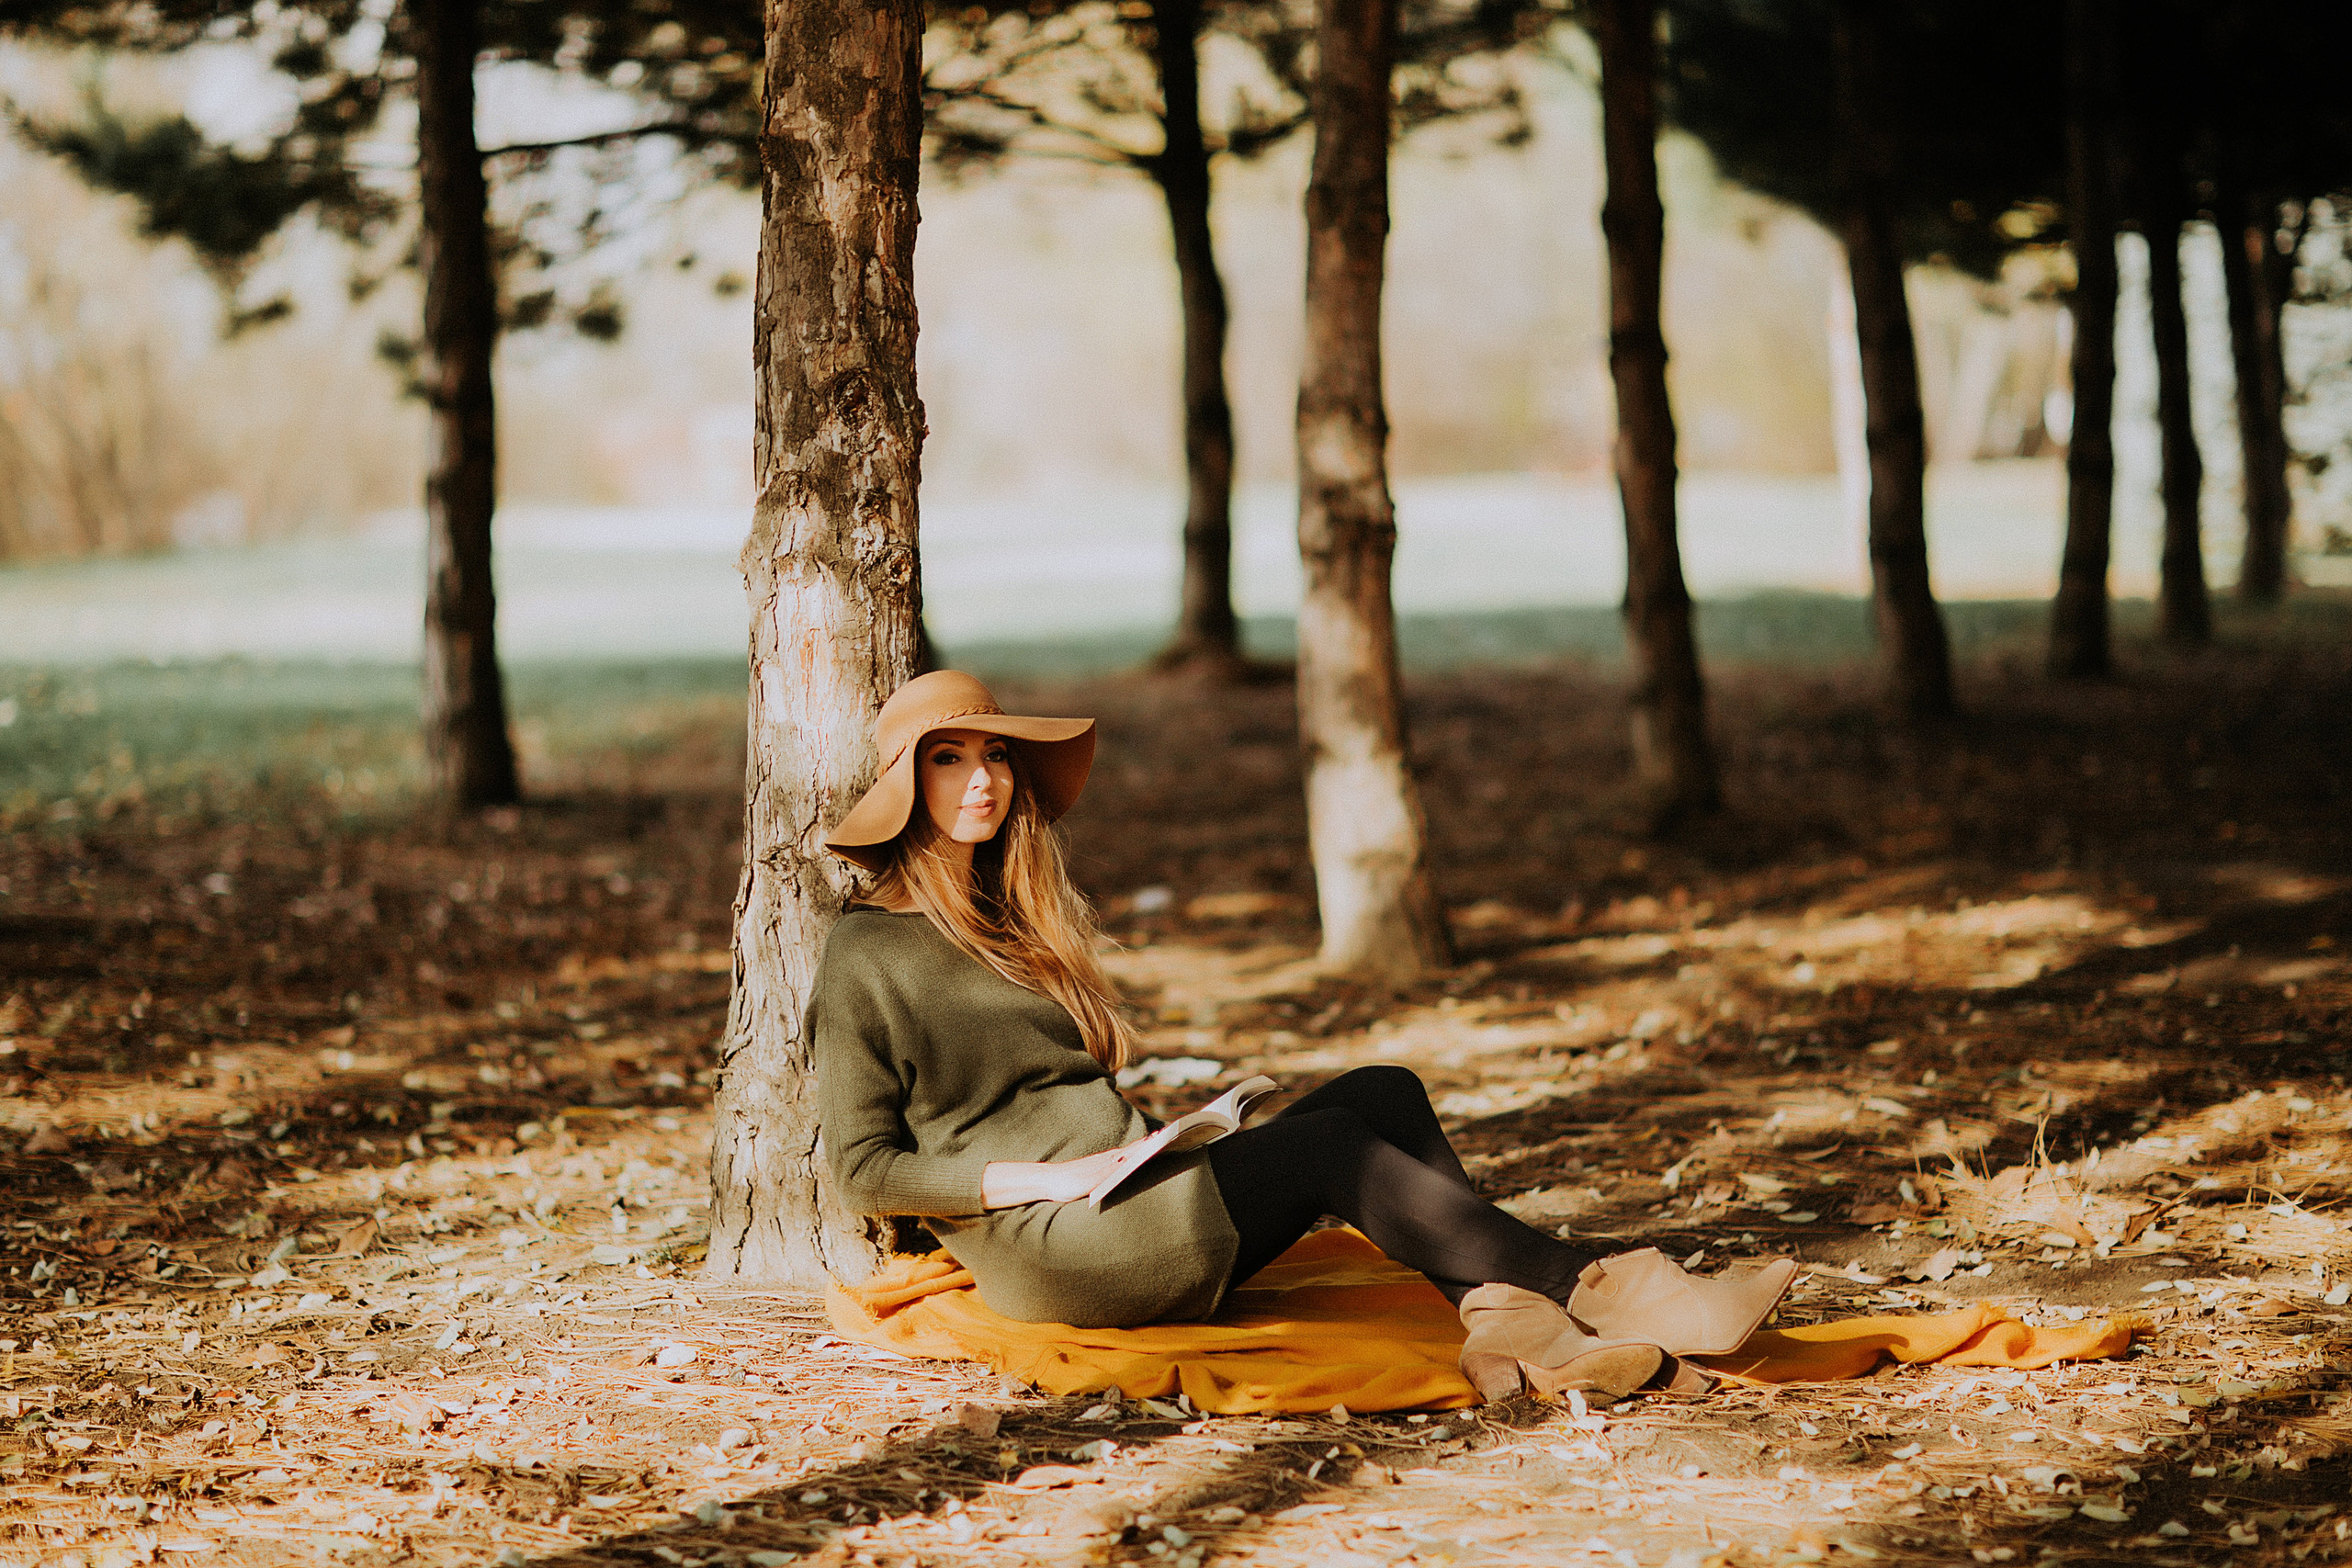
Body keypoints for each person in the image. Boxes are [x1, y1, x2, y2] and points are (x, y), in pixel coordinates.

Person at [810, 671, 1796, 1399]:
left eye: (994, 757)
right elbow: (862, 1165)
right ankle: (1609, 1291)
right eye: (950, 759)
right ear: (906, 784)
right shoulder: (867, 953)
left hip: (1132, 1190)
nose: (982, 780)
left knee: (1382, 1091)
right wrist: (1044, 1180)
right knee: (1330, 1148)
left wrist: (1160, 1137)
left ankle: (1511, 1329)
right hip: (1061, 1244)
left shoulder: (1008, 916)